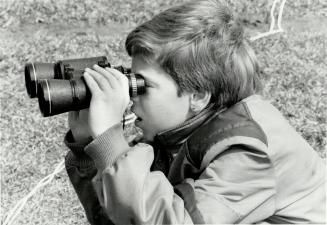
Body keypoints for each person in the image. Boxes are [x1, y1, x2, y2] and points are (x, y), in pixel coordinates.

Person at [64, 0, 326, 224]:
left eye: (144, 86)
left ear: (198, 95)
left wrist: (112, 142)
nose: (132, 99)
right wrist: (89, 149)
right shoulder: (175, 133)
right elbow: (125, 219)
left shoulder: (247, 152)